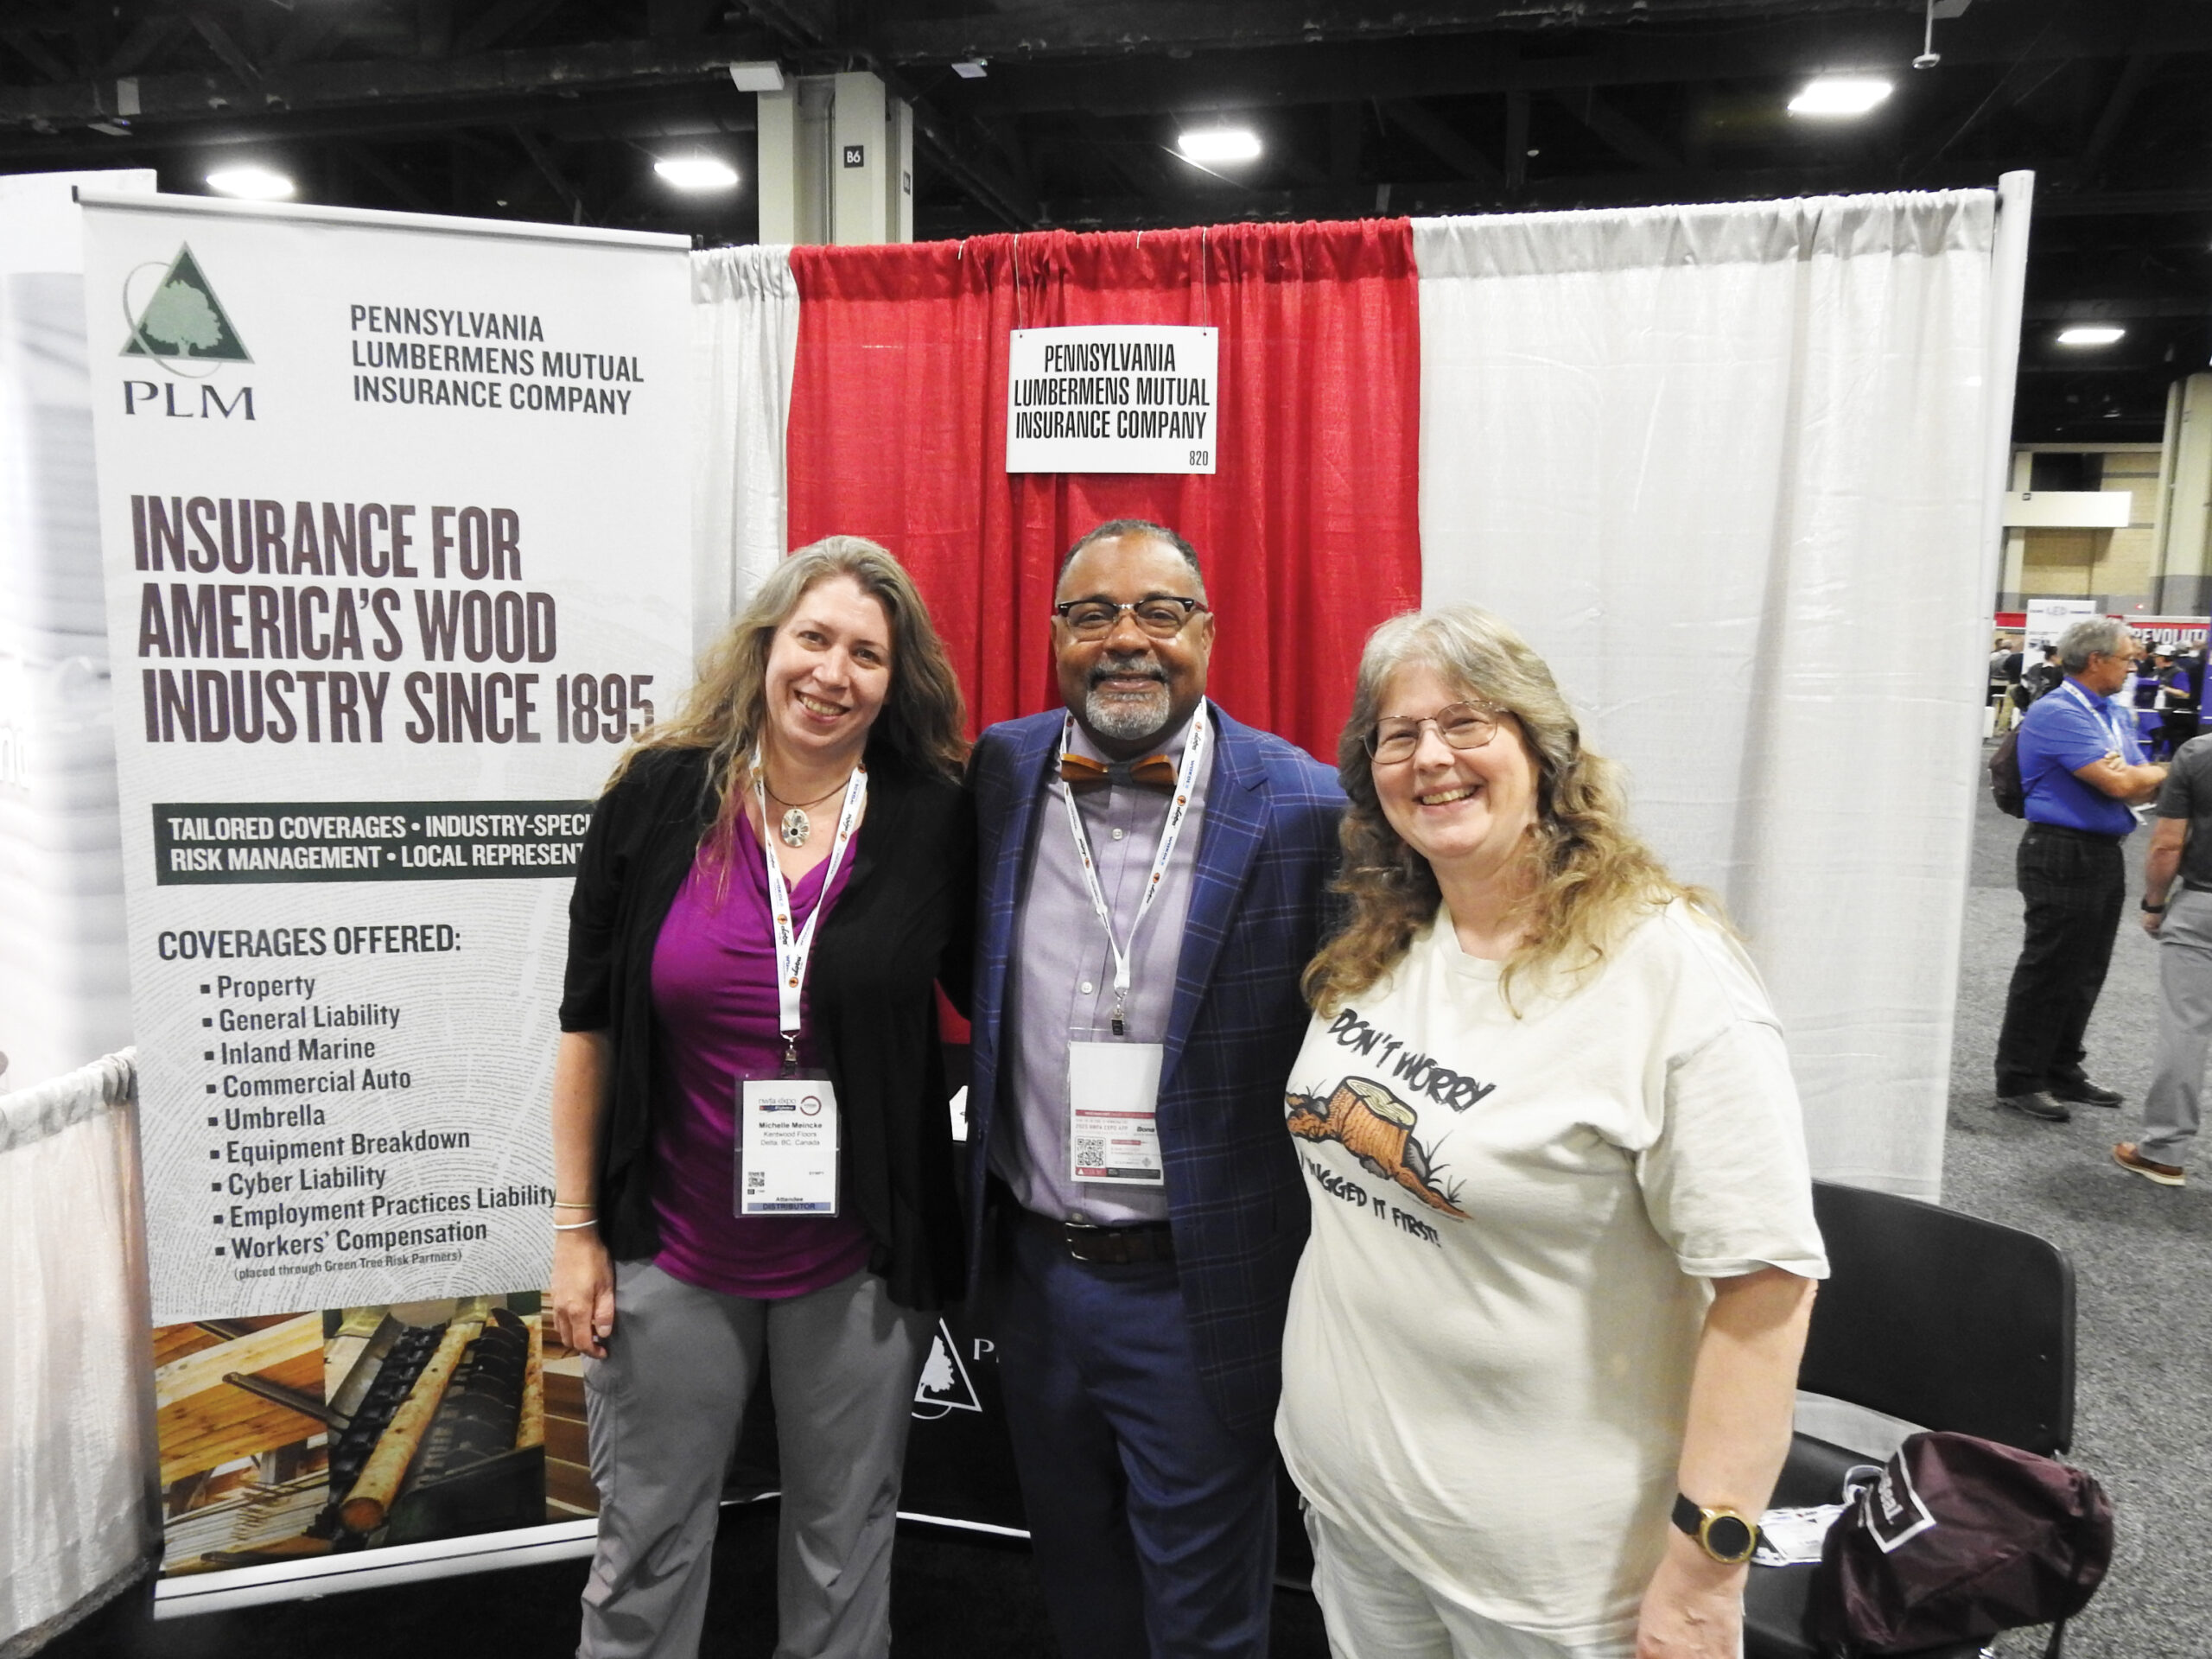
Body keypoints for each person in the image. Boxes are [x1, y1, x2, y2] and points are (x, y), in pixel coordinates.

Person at [1279, 605, 1827, 1659]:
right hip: (1356, 1515)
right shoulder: (1390, 936)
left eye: (1466, 723)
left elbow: (1767, 1285)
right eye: (1399, 734)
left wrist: (1705, 1575)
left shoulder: (1664, 969)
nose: (1431, 757)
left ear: (1542, 750)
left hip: (1548, 1580)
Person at [551, 536, 974, 1659]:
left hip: (856, 1263)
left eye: (866, 654)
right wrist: (576, 1233)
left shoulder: (934, 816)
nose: (833, 674)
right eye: (814, 639)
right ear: (765, 646)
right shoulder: (657, 796)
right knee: (644, 1546)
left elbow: (1000, 987)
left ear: (896, 679)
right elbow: (587, 1025)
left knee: (845, 1550)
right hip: (672, 1252)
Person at [964, 518, 1344, 1659]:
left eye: (1159, 613)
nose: (1126, 639)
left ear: (1207, 634)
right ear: (1055, 638)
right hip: (1034, 1280)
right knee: (1077, 1582)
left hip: (1200, 1289)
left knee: (1204, 1616)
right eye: (1093, 615)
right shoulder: (1000, 772)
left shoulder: (1306, 806)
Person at [1993, 617, 2168, 1123]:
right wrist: (2158, 771)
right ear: (2096, 660)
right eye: (2127, 660)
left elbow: (2137, 779)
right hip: (2061, 851)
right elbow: (2123, 784)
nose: (2132, 668)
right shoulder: (2058, 712)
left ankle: (2061, 1067)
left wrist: (2141, 775)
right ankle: (2020, 1078)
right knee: (2050, 969)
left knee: (2087, 968)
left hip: (2101, 850)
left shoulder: (2110, 712)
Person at [2122, 726, 2212, 1185]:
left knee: (2185, 1029)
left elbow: (2167, 844)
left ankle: (2164, 1151)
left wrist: (2154, 904)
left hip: (2202, 906)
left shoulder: (2198, 754)